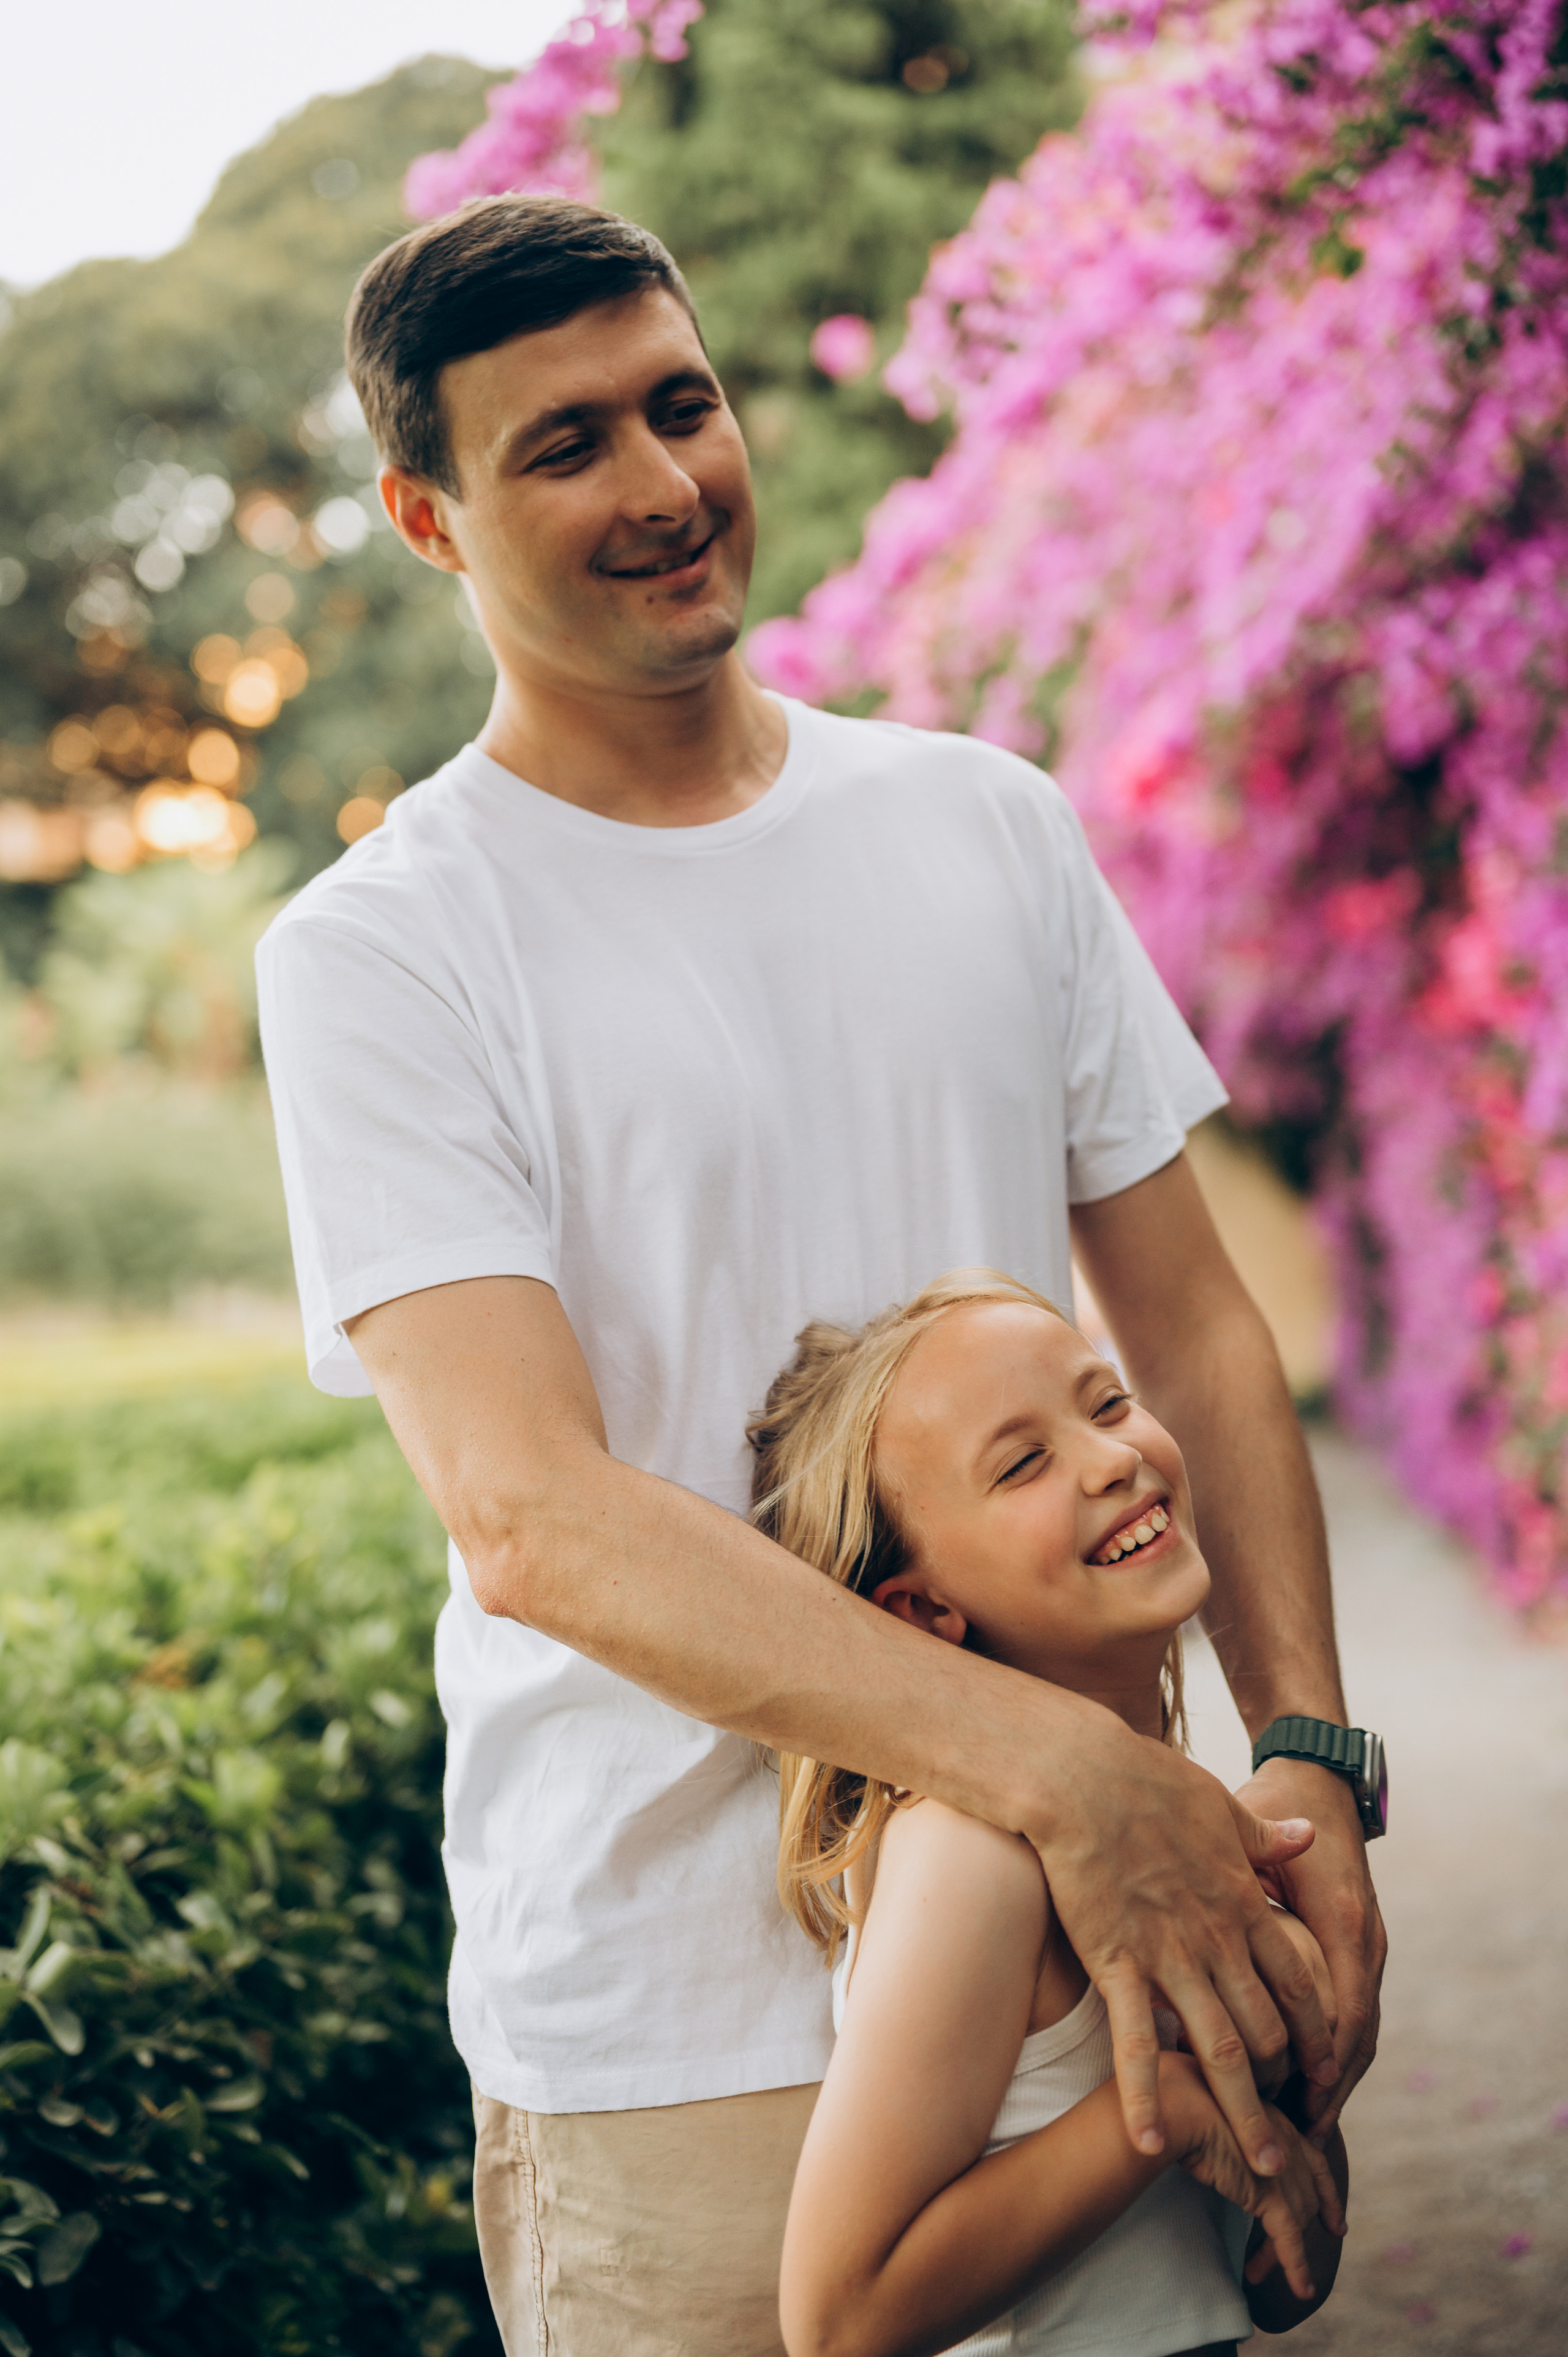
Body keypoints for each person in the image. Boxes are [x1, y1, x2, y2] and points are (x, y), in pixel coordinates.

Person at [255, 193, 1384, 2356]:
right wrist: (1079, 1778)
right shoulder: (384, 951)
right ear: (425, 515)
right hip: (681, 2027)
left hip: (1096, 1963)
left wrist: (1308, 1757)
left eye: (683, 405)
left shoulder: (986, 823)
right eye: (562, 445)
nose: (668, 487)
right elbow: (531, 1516)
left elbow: (1203, 1326)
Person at [753, 1269, 1350, 2357]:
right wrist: (1166, 2108)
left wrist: (1288, 2109)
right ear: (927, 1612)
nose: (1113, 1456)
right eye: (1024, 1462)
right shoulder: (967, 1853)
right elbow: (840, 2321)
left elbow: (1271, 2285)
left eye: (1108, 1401)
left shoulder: (1180, 1817)